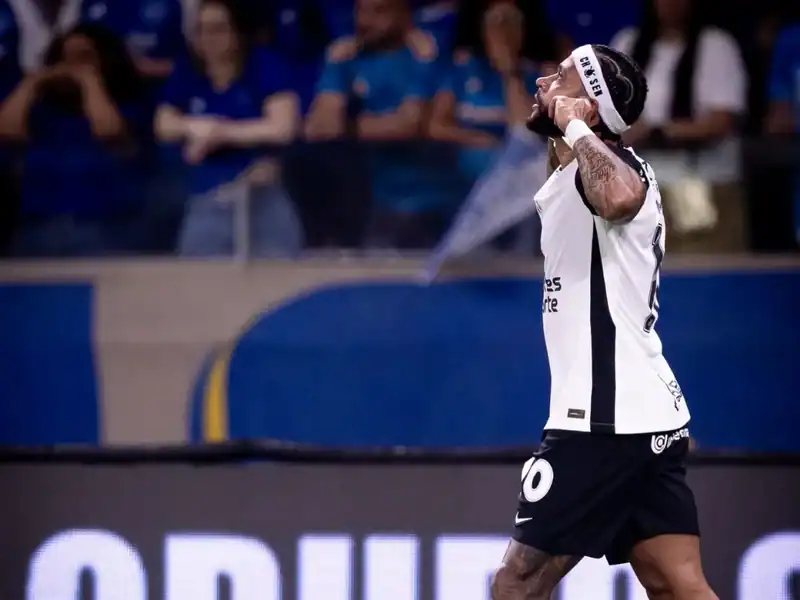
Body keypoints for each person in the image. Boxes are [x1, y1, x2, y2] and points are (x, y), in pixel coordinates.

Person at [490, 44, 719, 599]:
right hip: (647, 418)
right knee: (676, 585)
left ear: (589, 107)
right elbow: (548, 141)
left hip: (602, 421)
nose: (544, 80)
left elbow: (618, 196)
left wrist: (574, 125)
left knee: (516, 584)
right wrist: (522, 82)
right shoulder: (576, 172)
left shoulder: (618, 174)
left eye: (561, 76)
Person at [304, 0, 459, 250]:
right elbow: (320, 128)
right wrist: (334, 64)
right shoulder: (346, 59)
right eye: (361, 11)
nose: (366, 21)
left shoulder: (427, 57)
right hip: (371, 202)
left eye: (379, 11)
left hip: (430, 201)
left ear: (404, 14)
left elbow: (410, 126)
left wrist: (348, 129)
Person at [155, 0, 303, 257]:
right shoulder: (188, 69)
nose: (208, 38)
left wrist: (220, 133)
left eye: (218, 29)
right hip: (207, 197)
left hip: (262, 196)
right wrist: (197, 127)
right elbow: (163, 124)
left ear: (238, 31)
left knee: (278, 271)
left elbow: (282, 128)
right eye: (201, 30)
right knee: (197, 275)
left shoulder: (264, 63)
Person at [0, 23, 150, 257]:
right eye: (65, 58)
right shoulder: (42, 112)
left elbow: (109, 131)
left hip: (104, 229)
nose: (72, 66)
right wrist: (32, 83)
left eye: (84, 57)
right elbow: (6, 130)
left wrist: (89, 80)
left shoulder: (130, 107)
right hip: (37, 228)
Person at [609, 0, 748, 252]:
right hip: (638, 188)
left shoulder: (716, 45)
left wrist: (657, 132)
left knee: (703, 266)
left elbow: (722, 121)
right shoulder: (628, 43)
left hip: (701, 183)